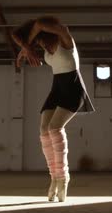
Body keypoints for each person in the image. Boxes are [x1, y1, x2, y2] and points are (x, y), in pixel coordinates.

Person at [12, 16, 95, 202]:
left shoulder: (65, 38)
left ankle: (63, 178)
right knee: (43, 130)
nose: (39, 44)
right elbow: (14, 34)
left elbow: (41, 24)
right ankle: (54, 177)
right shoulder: (43, 48)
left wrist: (30, 41)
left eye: (40, 39)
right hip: (56, 89)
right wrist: (25, 48)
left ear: (45, 33)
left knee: (54, 128)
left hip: (73, 88)